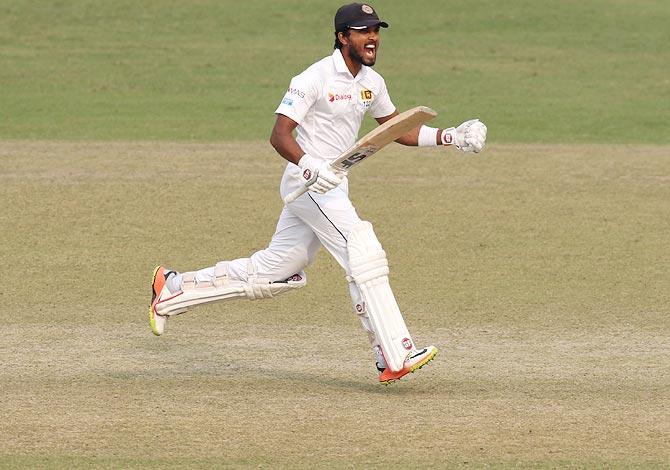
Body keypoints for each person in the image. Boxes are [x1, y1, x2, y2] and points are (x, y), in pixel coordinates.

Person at [149, 3, 487, 384]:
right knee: (361, 248)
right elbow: (279, 135)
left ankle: (173, 288)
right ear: (343, 37)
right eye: (362, 31)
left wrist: (449, 137)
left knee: (276, 270)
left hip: (334, 182)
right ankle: (393, 353)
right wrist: (311, 166)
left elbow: (395, 130)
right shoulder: (313, 77)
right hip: (308, 182)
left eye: (376, 30)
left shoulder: (371, 83)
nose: (372, 37)